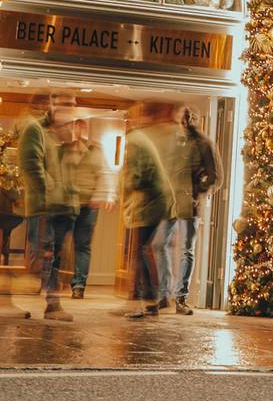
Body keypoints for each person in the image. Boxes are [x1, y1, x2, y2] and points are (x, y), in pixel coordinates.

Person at [19, 94, 75, 322]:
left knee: (54, 256)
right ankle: (49, 304)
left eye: (72, 105)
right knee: (43, 255)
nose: (69, 109)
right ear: (53, 104)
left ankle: (53, 304)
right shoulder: (35, 130)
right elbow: (32, 166)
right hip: (43, 206)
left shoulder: (56, 133)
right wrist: (49, 194)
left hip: (58, 206)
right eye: (65, 104)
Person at [161, 107, 221, 315]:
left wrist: (197, 191)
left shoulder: (204, 144)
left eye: (187, 118)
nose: (184, 122)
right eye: (181, 118)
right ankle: (164, 292)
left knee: (186, 250)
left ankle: (180, 297)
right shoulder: (170, 142)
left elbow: (215, 176)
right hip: (168, 202)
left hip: (188, 203)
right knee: (160, 245)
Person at [121, 102, 172, 318]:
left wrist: (125, 184)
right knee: (144, 250)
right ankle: (153, 299)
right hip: (157, 202)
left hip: (151, 204)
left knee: (141, 251)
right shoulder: (142, 139)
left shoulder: (135, 140)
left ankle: (148, 301)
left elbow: (137, 175)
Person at [58, 118, 115, 300]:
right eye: (76, 126)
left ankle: (79, 286)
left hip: (88, 205)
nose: (79, 130)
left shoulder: (96, 150)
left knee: (82, 245)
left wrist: (104, 195)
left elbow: (105, 173)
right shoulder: (63, 149)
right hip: (66, 204)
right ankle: (54, 283)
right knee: (58, 243)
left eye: (82, 127)